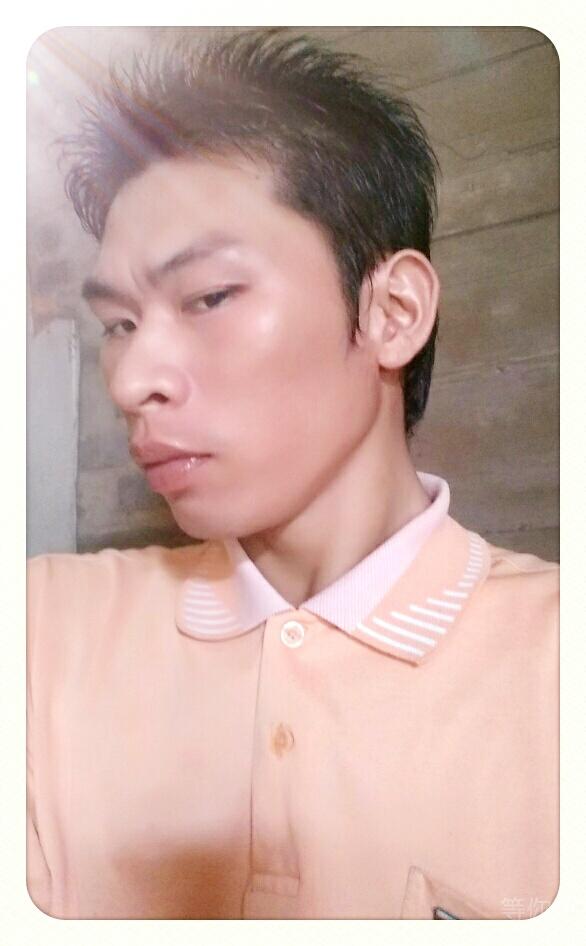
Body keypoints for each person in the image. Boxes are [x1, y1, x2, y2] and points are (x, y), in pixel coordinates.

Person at [26, 28, 559, 920]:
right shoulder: (42, 629)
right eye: (119, 324)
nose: (130, 380)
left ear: (392, 312)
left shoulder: (553, 663)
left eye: (209, 297)